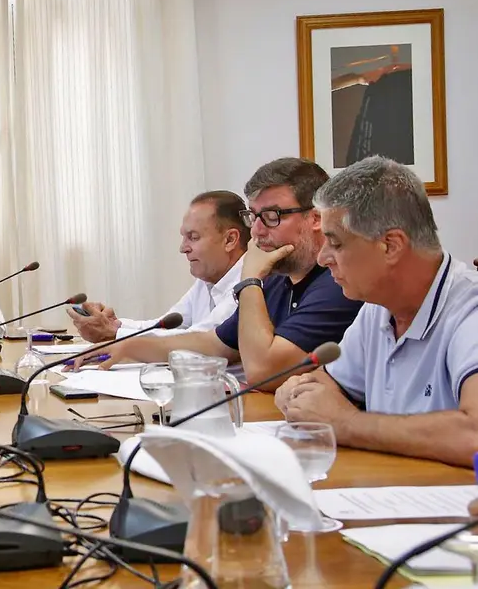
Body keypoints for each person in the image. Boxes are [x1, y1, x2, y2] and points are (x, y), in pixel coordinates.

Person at [73, 158, 363, 390]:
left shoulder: (337, 283)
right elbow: (212, 343)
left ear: (315, 218)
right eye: (254, 216)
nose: (258, 231)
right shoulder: (279, 279)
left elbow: (263, 371)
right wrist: (128, 346)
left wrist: (250, 280)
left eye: (272, 217)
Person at [275, 157, 478, 467]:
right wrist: (298, 395)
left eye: (335, 243)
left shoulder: (469, 309)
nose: (322, 258)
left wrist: (347, 424)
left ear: (390, 245)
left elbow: (473, 435)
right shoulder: (376, 309)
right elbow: (323, 387)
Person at [68, 191, 250, 342]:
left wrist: (113, 333)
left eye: (193, 237)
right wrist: (115, 325)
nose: (183, 248)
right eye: (184, 237)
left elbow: (200, 340)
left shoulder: (248, 282)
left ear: (230, 240)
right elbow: (164, 325)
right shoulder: (208, 278)